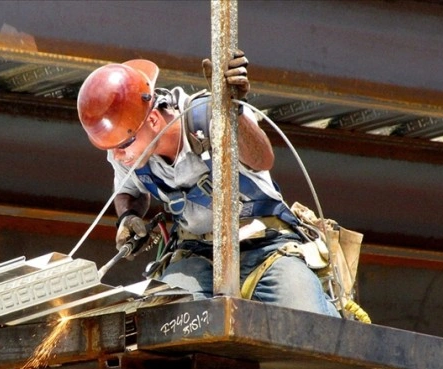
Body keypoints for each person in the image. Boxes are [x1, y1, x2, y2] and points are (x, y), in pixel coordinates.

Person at [76, 52, 339, 317]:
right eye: (110, 148)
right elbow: (129, 190)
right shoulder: (127, 147)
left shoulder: (211, 116)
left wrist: (232, 114)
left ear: (153, 120)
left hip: (265, 246)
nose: (118, 156)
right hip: (195, 253)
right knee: (163, 321)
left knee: (308, 322)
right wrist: (128, 216)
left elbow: (262, 159)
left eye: (122, 147)